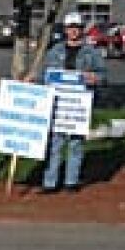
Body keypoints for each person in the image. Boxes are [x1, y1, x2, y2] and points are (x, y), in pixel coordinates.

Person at [39, 11, 106, 194]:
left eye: (77, 28)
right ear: (66, 29)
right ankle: (50, 182)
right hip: (58, 104)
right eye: (70, 28)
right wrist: (33, 80)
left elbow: (103, 75)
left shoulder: (91, 53)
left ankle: (71, 181)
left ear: (81, 30)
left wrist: (95, 78)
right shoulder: (55, 51)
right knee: (55, 142)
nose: (73, 31)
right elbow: (45, 74)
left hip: (79, 106)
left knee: (76, 143)